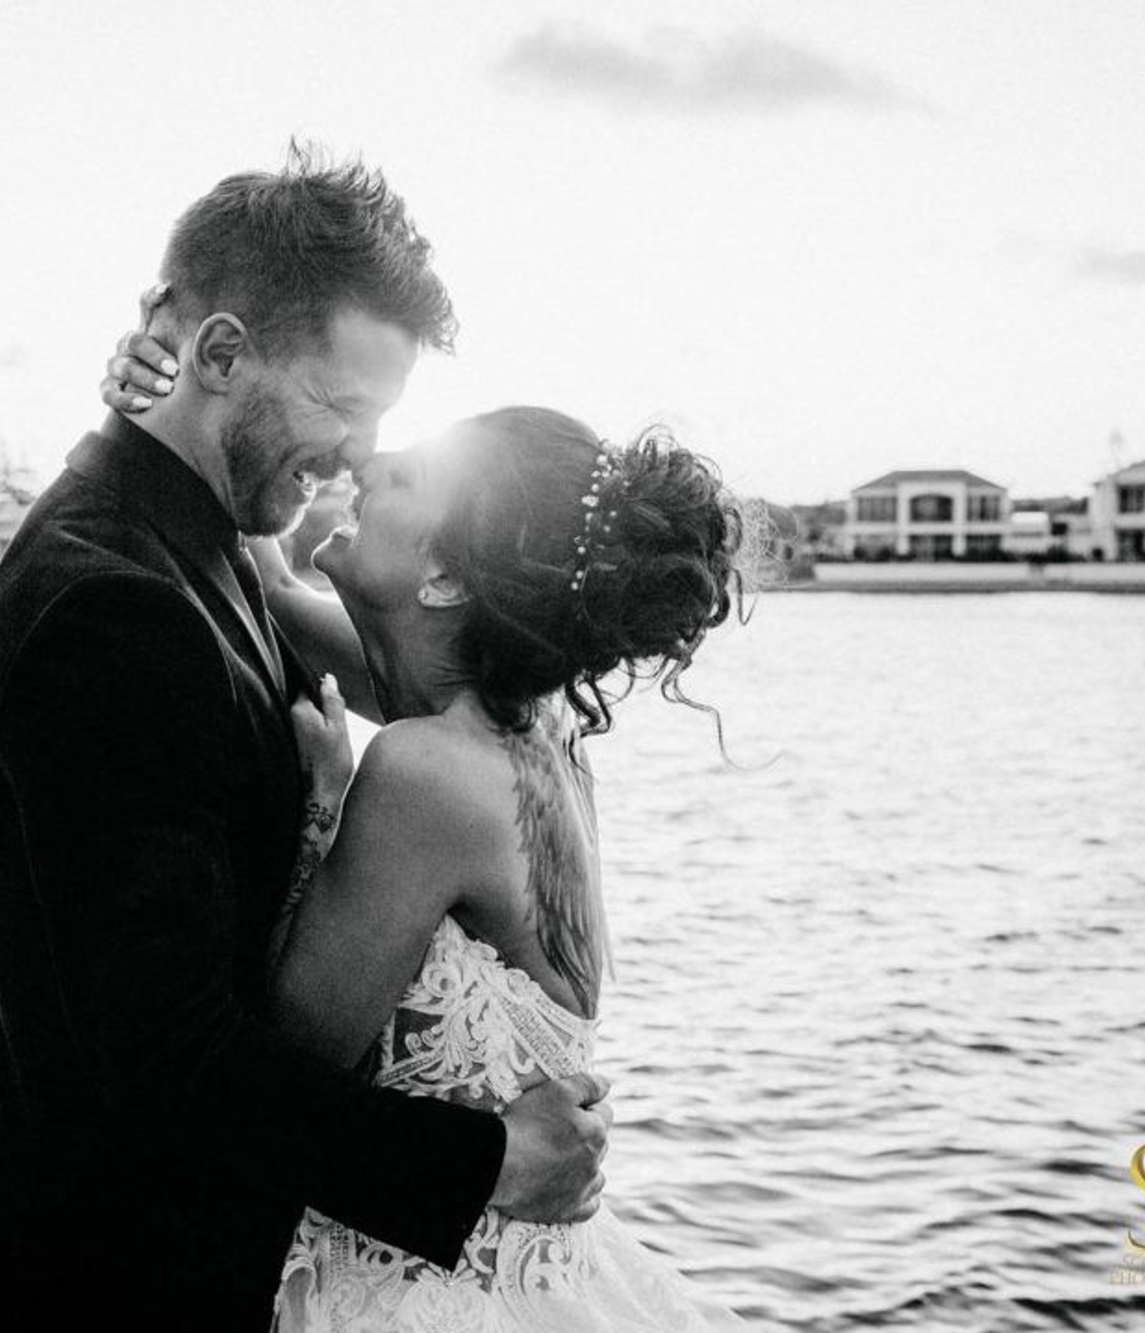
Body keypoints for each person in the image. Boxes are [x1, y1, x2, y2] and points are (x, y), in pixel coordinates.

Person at [0, 151, 613, 1333]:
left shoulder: (215, 537)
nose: (352, 455)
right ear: (223, 357)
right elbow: (166, 1055)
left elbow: (418, 668)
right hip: (123, 1280)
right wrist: (481, 1164)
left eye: (380, 422)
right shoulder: (110, 607)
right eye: (341, 407)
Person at [105, 334, 757, 1328]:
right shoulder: (518, 726)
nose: (366, 465)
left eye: (402, 477)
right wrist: (164, 402)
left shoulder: (425, 773)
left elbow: (287, 1063)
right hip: (528, 1270)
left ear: (446, 576)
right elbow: (273, 595)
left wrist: (321, 800)